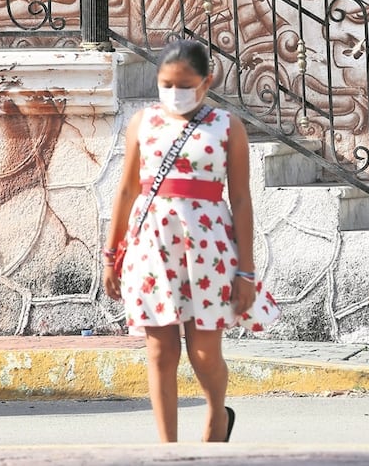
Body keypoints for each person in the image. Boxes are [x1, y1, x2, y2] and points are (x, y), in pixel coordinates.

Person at [102, 39, 256, 443]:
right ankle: (167, 448)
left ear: (207, 82)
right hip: (152, 247)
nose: (174, 92)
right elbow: (125, 191)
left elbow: (240, 199)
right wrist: (110, 255)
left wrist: (247, 271)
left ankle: (216, 417)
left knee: (204, 356)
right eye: (166, 83)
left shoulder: (227, 127)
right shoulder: (143, 122)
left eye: (184, 84)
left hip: (209, 251)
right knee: (161, 351)